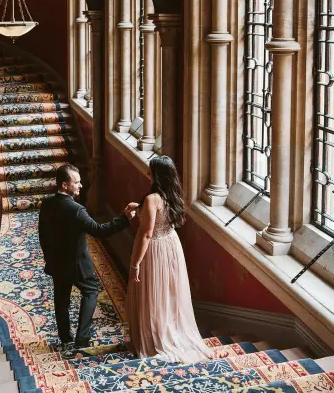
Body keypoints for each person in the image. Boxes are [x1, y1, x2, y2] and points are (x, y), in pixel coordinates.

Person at [38, 164, 137, 350]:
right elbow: (100, 231)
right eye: (77, 182)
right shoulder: (76, 210)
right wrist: (125, 218)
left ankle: (65, 338)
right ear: (65, 185)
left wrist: (49, 257)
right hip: (77, 264)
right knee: (91, 292)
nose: (81, 185)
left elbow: (42, 235)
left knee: (61, 300)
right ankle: (81, 340)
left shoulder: (47, 204)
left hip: (57, 262)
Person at [126, 156, 212, 363]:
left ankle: (155, 339)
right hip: (171, 245)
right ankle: (171, 330)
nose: (147, 171)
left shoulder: (151, 199)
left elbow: (147, 233)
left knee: (153, 291)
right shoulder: (172, 194)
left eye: (151, 169)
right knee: (169, 292)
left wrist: (136, 263)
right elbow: (160, 214)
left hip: (155, 248)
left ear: (156, 174)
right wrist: (139, 208)